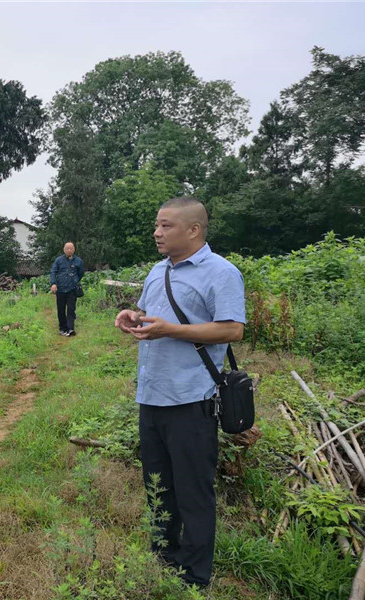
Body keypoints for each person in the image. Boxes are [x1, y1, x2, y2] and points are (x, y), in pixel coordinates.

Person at [114, 197, 245, 588]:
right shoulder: (158, 270)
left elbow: (232, 329)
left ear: (194, 230)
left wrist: (170, 330)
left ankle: (194, 577)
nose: (157, 232)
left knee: (193, 492)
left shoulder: (221, 272)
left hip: (193, 400)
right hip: (152, 395)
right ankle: (163, 558)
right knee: (158, 485)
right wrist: (133, 317)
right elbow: (152, 316)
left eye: (166, 225)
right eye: (157, 225)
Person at [49, 242, 84, 336]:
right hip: (60, 289)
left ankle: (70, 328)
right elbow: (53, 272)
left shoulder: (78, 261)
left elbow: (81, 273)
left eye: (71, 248)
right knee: (61, 309)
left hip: (72, 289)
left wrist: (75, 280)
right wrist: (53, 283)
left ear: (74, 249)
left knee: (71, 309)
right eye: (67, 248)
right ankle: (62, 328)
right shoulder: (59, 260)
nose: (69, 250)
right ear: (64, 249)